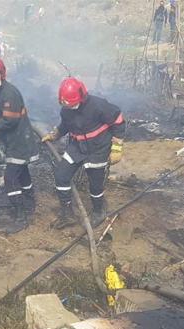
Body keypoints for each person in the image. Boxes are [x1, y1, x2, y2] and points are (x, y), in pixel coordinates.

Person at [41, 77, 125, 229]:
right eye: (64, 104)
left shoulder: (98, 105)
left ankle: (98, 211)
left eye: (69, 104)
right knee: (61, 176)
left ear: (80, 98)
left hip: (98, 148)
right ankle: (67, 215)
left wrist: (116, 148)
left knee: (95, 185)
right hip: (77, 147)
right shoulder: (66, 109)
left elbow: (118, 121)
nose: (67, 107)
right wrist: (53, 135)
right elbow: (64, 125)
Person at [0, 56, 40, 234]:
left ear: (1, 73)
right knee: (23, 173)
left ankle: (21, 217)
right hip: (12, 139)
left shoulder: (9, 93)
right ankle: (30, 205)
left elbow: (10, 120)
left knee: (10, 179)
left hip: (20, 140)